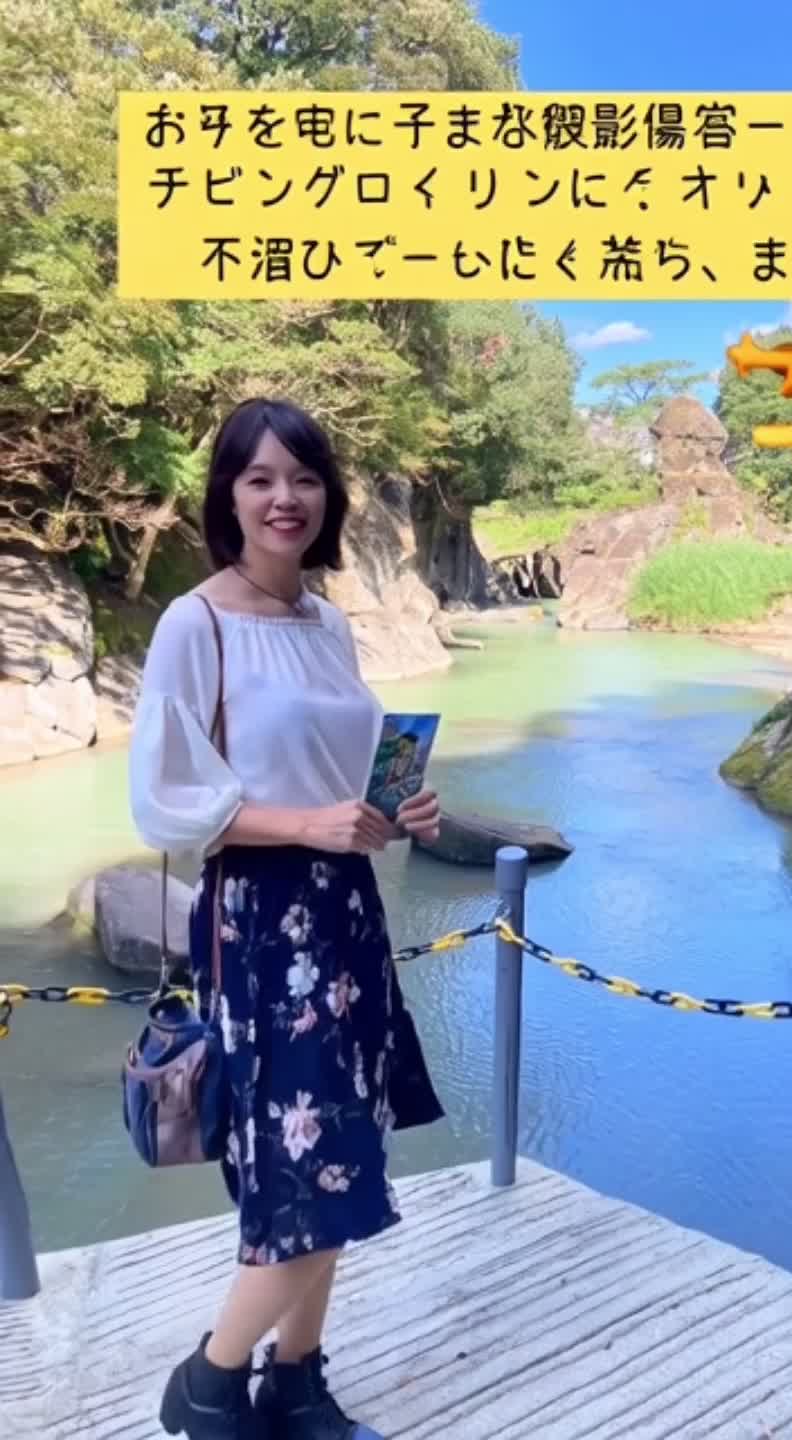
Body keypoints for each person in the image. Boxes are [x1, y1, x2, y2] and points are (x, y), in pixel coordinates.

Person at [129, 397, 445, 1440]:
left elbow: (339, 779)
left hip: (344, 908)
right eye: (260, 478)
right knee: (306, 1161)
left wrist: (395, 811)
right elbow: (165, 800)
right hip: (260, 920)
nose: (285, 499)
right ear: (227, 495)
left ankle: (296, 1381)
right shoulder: (197, 623)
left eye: (304, 478)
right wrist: (308, 823)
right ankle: (210, 1384)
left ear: (328, 496)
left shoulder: (328, 623)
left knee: (343, 1147)